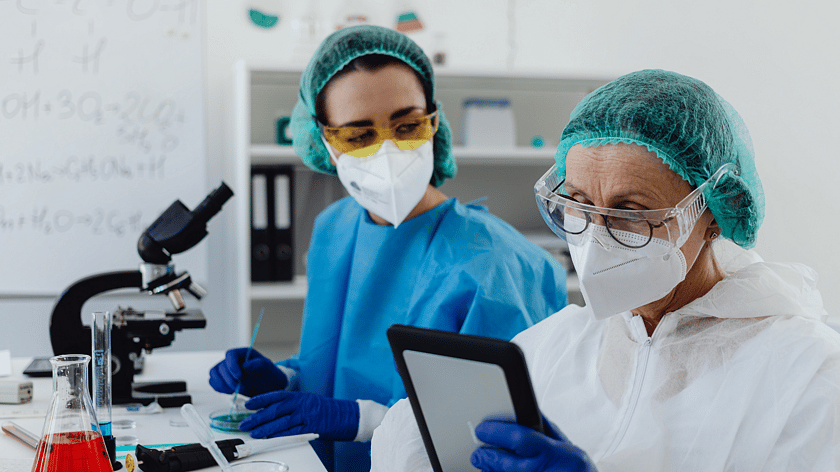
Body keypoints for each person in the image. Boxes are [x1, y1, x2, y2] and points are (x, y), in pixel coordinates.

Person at [371, 69, 840, 471]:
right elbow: (406, 441)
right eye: (577, 206)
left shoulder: (806, 372)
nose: (595, 239)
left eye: (630, 213)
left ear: (713, 211)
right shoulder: (557, 344)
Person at [208, 25, 569, 472]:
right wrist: (285, 377)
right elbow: (345, 360)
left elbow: (497, 439)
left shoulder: (499, 266)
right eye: (358, 136)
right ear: (323, 141)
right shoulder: (335, 230)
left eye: (407, 125)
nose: (388, 150)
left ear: (434, 121)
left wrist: (361, 420)